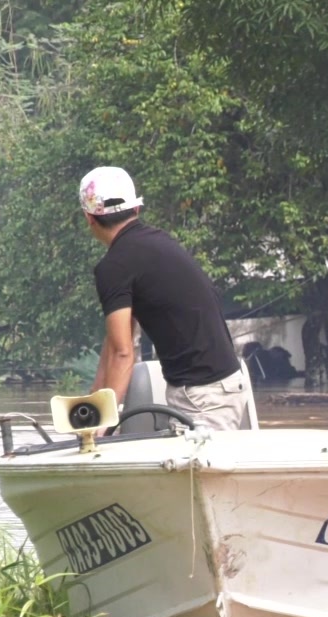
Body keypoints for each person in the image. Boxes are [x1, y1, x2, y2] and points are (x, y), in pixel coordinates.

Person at [80, 166, 251, 430]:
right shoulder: (157, 243)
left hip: (203, 397)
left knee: (195, 473)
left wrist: (103, 424)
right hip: (216, 388)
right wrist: (93, 403)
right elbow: (115, 343)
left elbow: (124, 353)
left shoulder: (114, 265)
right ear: (135, 209)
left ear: (89, 217)